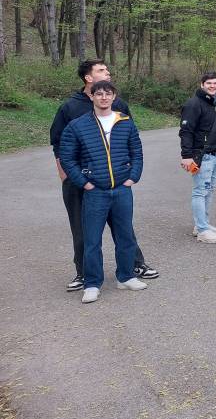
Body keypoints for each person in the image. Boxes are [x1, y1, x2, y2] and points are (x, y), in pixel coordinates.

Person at [50, 59, 158, 291]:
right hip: (80, 181)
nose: (107, 73)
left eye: (107, 70)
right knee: (84, 231)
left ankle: (134, 266)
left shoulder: (118, 104)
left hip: (115, 181)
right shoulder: (69, 107)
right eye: (101, 70)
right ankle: (84, 274)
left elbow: (130, 139)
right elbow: (58, 144)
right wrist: (66, 176)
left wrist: (130, 174)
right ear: (88, 78)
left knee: (123, 227)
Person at [179, 72, 216, 243]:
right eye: (209, 83)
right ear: (202, 84)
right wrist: (187, 156)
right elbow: (186, 131)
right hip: (202, 155)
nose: (212, 86)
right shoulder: (193, 104)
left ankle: (202, 224)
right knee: (200, 191)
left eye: (215, 83)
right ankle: (202, 231)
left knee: (209, 190)